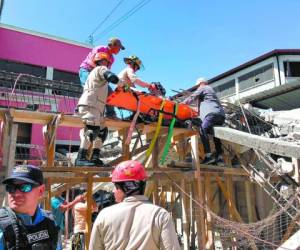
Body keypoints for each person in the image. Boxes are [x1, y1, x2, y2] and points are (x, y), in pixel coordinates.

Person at [89, 160, 181, 250]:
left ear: (123, 188)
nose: (113, 192)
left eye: (115, 188)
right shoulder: (160, 215)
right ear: (143, 185)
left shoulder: (105, 215)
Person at [0, 165, 61, 249]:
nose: (16, 193)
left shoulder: (50, 222)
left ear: (40, 191)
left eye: (25, 187)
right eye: (11, 187)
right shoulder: (2, 226)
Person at [75, 52, 119, 167]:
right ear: (102, 62)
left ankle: (95, 157)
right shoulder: (100, 69)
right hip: (90, 105)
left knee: (102, 131)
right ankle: (80, 158)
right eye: (106, 62)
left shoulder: (96, 75)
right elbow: (111, 76)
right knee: (91, 130)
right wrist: (121, 84)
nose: (107, 64)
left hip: (95, 107)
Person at [182, 77, 225, 165]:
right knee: (216, 134)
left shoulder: (203, 87)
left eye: (197, 86)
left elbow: (192, 97)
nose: (197, 87)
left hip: (212, 114)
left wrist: (180, 104)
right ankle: (219, 157)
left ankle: (208, 156)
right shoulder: (211, 92)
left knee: (202, 129)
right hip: (221, 115)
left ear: (200, 83)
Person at [79, 37, 125, 117]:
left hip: (99, 74)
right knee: (89, 88)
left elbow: (106, 71)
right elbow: (91, 61)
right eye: (119, 48)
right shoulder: (100, 48)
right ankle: (78, 110)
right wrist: (99, 71)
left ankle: (110, 113)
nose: (119, 50)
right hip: (86, 70)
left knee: (109, 91)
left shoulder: (112, 58)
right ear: (113, 45)